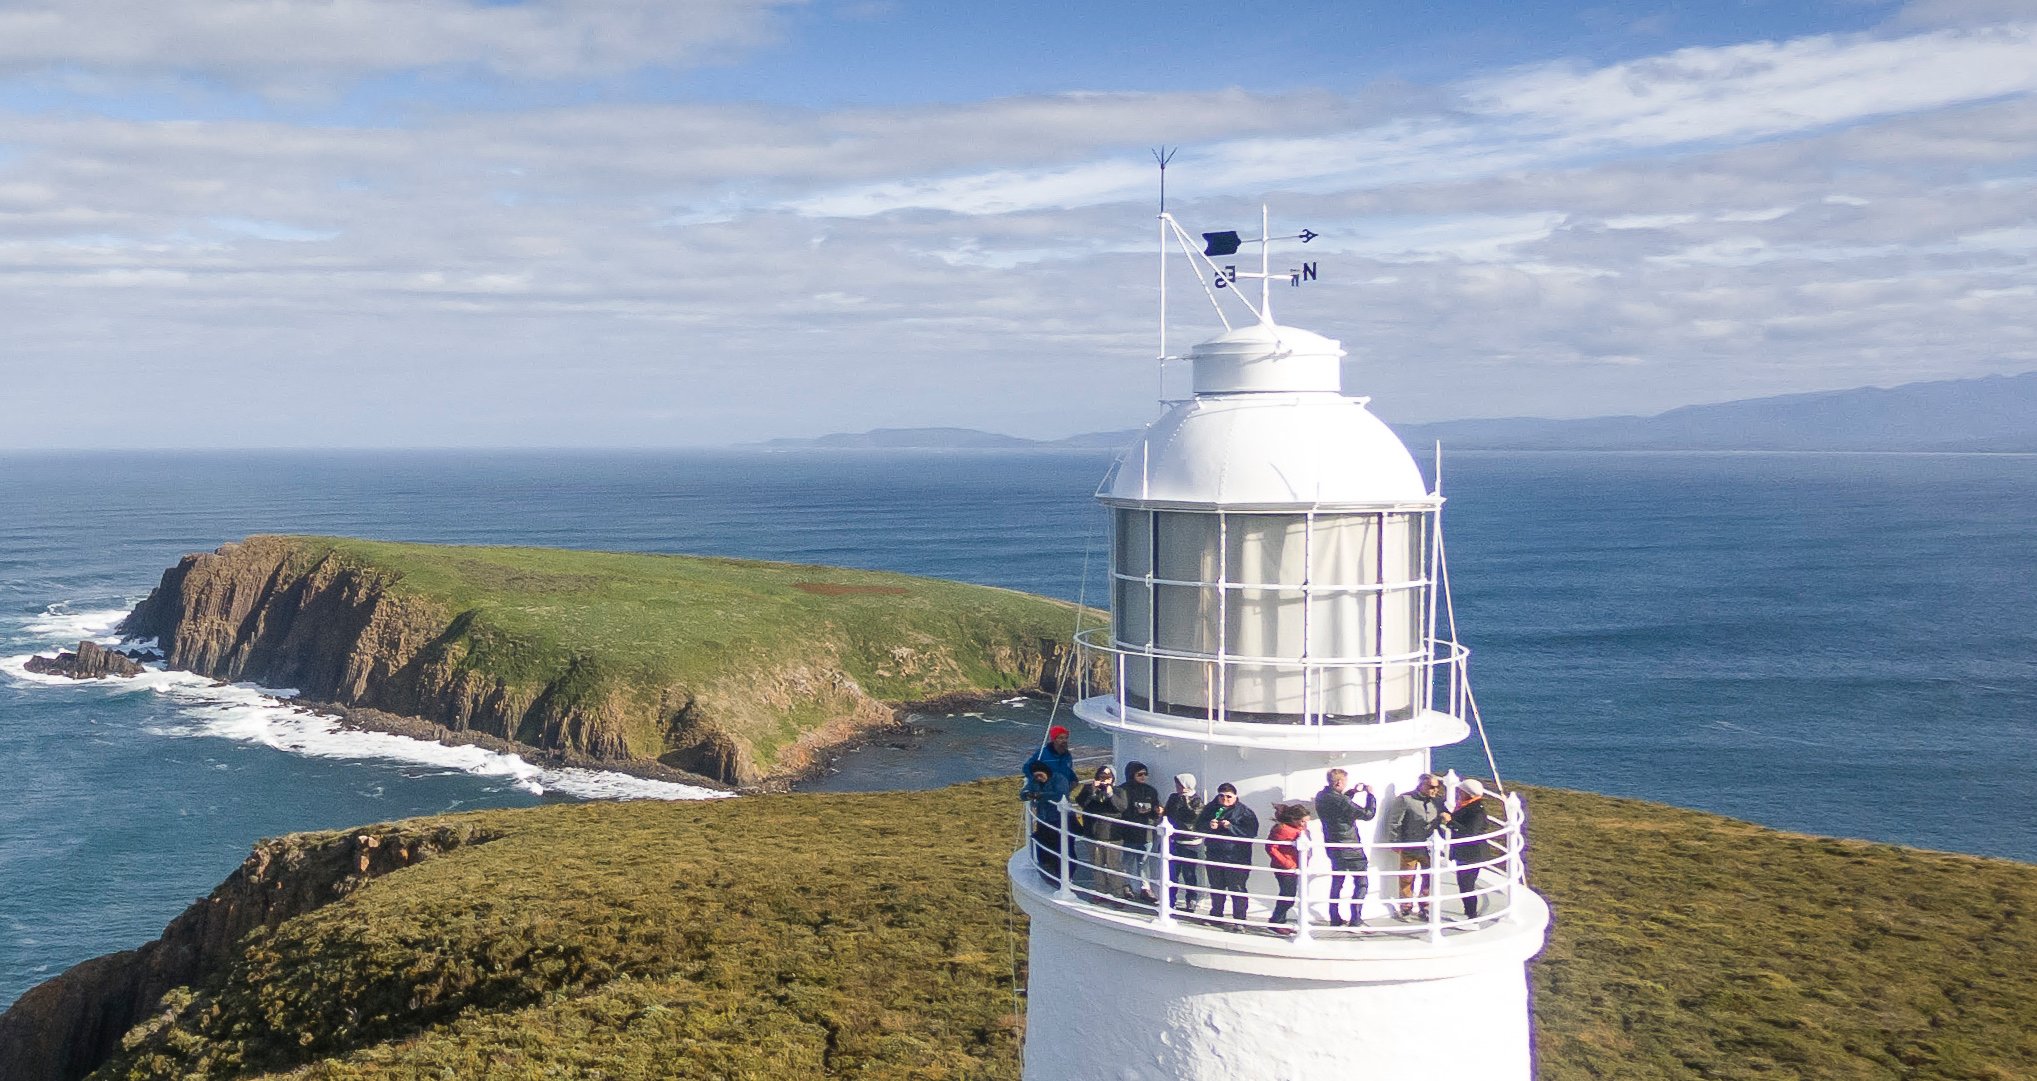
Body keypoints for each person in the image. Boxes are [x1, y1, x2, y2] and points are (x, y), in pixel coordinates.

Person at [1313, 768, 1377, 927]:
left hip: (1333, 846)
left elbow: (1341, 804)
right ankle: (1355, 918)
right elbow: (1368, 814)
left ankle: (1334, 917)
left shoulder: (1321, 797)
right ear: (1339, 782)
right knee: (1361, 883)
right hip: (1351, 848)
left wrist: (1352, 792)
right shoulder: (1341, 801)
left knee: (1337, 883)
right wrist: (1371, 795)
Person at [1194, 783, 1259, 923]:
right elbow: (1198, 827)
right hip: (1214, 853)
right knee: (1216, 886)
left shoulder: (1245, 812)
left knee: (1237, 888)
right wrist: (1208, 826)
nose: (1225, 799)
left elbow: (1251, 833)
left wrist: (1231, 827)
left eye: (1229, 796)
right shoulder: (1210, 809)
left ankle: (1240, 920)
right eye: (1221, 796)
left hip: (1237, 856)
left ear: (1235, 796)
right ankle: (1216, 915)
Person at [1386, 773, 1446, 919]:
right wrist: (1395, 842)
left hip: (1429, 848)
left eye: (1437, 787)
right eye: (1431, 787)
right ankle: (1406, 906)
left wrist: (1445, 816)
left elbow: (1444, 815)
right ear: (1421, 785)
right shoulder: (1405, 799)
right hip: (1410, 846)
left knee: (1428, 878)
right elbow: (1395, 822)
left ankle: (1424, 907)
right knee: (1407, 878)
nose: (1435, 790)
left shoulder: (1437, 802)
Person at [1073, 764, 1126, 899]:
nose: (1104, 779)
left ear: (1113, 778)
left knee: (1114, 867)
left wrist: (1110, 793)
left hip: (1112, 836)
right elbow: (1082, 803)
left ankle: (1118, 894)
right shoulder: (1089, 790)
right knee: (1097, 866)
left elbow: (1121, 807)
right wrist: (1092, 790)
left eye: (1108, 777)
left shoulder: (1119, 791)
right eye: (1101, 776)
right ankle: (1100, 892)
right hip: (1093, 835)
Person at [1447, 778, 1495, 919]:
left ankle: (1471, 917)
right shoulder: (1469, 806)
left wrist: (1450, 822)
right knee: (1465, 885)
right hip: (1468, 854)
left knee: (1467, 886)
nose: (1459, 793)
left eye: (1461, 791)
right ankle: (1469, 915)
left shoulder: (1476, 811)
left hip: (1471, 855)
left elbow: (1470, 833)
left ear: (1467, 793)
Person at [1118, 762, 1163, 904]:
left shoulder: (1151, 791)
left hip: (1147, 832)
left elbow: (1156, 807)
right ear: (1131, 774)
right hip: (1128, 832)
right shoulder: (1122, 790)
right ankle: (1125, 886)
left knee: (1144, 862)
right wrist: (1137, 811)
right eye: (1140, 774)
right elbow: (1121, 810)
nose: (1143, 777)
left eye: (1145, 774)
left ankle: (1145, 888)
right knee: (1126, 862)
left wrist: (1157, 812)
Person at [1019, 762, 1071, 885]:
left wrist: (1040, 795)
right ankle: (1047, 871)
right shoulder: (1035, 781)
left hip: (1058, 819)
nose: (1038, 778)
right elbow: (1023, 794)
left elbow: (1060, 795)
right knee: (1043, 845)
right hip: (1043, 819)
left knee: (1059, 847)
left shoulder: (1059, 779)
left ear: (1046, 772)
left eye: (1040, 775)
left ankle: (1062, 875)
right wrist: (1028, 794)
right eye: (1036, 776)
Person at [1265, 802, 1312, 933]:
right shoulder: (1282, 829)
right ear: (1294, 819)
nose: (1304, 824)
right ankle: (1276, 922)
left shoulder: (1300, 829)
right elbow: (1271, 848)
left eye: (1306, 821)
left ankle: (1279, 921)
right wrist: (1287, 863)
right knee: (1288, 895)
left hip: (1295, 867)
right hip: (1285, 868)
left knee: (1289, 895)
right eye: (1302, 821)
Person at [1162, 773, 1205, 912]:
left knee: (1190, 874)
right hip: (1175, 840)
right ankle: (1169, 901)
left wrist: (1186, 799)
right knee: (1172, 874)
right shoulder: (1174, 798)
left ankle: (1191, 900)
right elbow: (1168, 814)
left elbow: (1193, 816)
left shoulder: (1197, 800)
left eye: (1180, 785)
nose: (1177, 787)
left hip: (1191, 843)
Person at [1021, 725, 1077, 791]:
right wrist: (1035, 779)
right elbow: (1026, 767)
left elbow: (1068, 770)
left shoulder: (1067, 755)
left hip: (1062, 792)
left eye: (1066, 738)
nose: (1064, 740)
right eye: (1061, 738)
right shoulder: (1042, 753)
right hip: (1044, 791)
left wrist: (1074, 780)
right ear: (1054, 739)